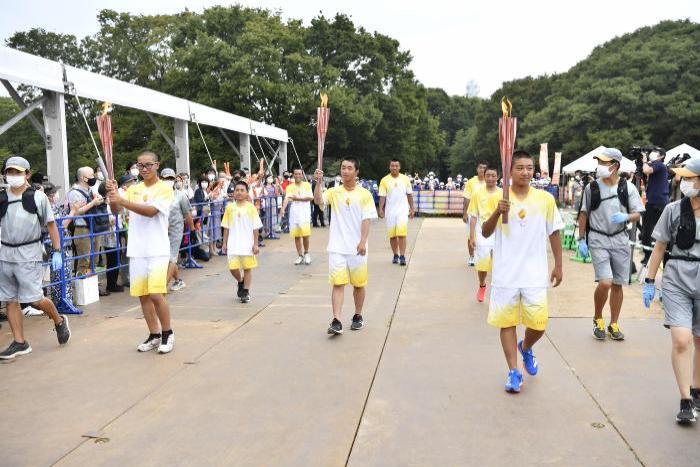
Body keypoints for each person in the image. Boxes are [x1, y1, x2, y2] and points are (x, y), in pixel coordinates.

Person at [482, 150, 563, 393]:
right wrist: (498, 211)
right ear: (510, 171)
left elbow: (554, 231)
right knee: (506, 322)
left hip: (534, 273)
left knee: (539, 324)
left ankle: (525, 347)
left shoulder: (545, 199)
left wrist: (558, 264)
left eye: (529, 168)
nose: (526, 172)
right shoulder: (498, 199)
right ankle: (513, 372)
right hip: (506, 273)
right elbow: (485, 232)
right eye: (520, 168)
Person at [642, 158, 700, 423]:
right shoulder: (673, 210)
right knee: (682, 339)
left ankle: (697, 390)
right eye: (684, 178)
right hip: (676, 279)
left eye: (690, 177)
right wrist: (650, 281)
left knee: (699, 341)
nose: (684, 182)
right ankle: (685, 399)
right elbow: (659, 248)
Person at [0, 156, 71, 359]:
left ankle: (58, 320)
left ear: (27, 174)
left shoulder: (37, 197)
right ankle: (20, 342)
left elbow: (50, 224)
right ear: (4, 174)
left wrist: (57, 250)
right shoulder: (1, 197)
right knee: (10, 300)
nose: (13, 176)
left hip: (28, 253)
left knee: (34, 300)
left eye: (18, 172)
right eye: (10, 172)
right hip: (5, 254)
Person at [106, 151, 175, 354]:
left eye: (148, 165)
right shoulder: (133, 189)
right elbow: (116, 210)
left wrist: (122, 200)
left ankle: (167, 333)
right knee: (143, 296)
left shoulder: (164, 189)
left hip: (157, 249)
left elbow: (151, 211)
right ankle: (154, 334)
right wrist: (112, 196)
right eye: (140, 166)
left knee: (156, 293)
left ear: (157, 165)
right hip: (137, 250)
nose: (144, 169)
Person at [577, 148, 644, 341]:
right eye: (599, 162)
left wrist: (626, 216)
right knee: (605, 281)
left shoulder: (628, 188)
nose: (601, 166)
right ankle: (598, 317)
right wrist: (581, 239)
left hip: (620, 239)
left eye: (604, 163)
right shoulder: (592, 188)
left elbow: (638, 213)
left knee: (617, 284)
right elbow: (584, 213)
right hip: (598, 239)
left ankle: (613, 323)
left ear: (615, 166)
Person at [313, 158, 377, 335]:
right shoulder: (334, 192)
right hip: (337, 246)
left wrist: (363, 241)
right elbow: (318, 200)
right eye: (343, 168)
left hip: (357, 247)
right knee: (338, 283)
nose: (345, 171)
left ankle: (357, 315)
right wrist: (318, 183)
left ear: (356, 172)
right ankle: (337, 320)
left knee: (358, 284)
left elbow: (367, 219)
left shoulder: (365, 194)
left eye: (349, 168)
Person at [222, 180, 262, 303]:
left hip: (247, 244)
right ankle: (240, 281)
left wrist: (255, 244)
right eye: (237, 190)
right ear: (233, 193)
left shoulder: (251, 208)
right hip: (233, 243)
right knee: (233, 268)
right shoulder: (229, 208)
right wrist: (224, 243)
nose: (239, 192)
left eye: (242, 190)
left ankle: (245, 291)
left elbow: (255, 228)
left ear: (246, 193)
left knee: (247, 268)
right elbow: (226, 227)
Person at [468, 167, 502, 302]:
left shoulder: (503, 193)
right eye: (488, 175)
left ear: (498, 177)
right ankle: (482, 285)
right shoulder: (477, 193)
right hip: (482, 232)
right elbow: (473, 216)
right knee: (482, 263)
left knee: (500, 261)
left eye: (493, 176)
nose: (490, 178)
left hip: (500, 231)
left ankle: (498, 289)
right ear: (484, 176)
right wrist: (472, 236)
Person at [67, 167, 106, 277]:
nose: (94, 177)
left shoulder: (90, 190)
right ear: (83, 178)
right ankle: (82, 288)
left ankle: (92, 286)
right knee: (84, 260)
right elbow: (76, 212)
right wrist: (93, 203)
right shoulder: (74, 192)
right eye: (92, 175)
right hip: (82, 228)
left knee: (95, 259)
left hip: (94, 227)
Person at [161, 168, 195, 292]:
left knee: (171, 258)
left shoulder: (181, 196)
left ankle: (163, 286)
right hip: (161, 230)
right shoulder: (158, 195)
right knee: (165, 257)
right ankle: (178, 280)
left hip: (175, 230)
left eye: (171, 178)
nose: (168, 181)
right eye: (166, 179)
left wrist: (192, 230)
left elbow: (188, 214)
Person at [378, 158, 415, 266]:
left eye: (396, 166)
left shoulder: (405, 179)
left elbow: (409, 194)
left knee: (402, 234)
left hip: (402, 210)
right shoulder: (384, 180)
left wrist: (412, 208)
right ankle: (395, 254)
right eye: (392, 166)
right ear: (389, 167)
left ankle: (402, 256)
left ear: (399, 167)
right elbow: (382, 196)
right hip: (390, 211)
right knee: (393, 236)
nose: (394, 167)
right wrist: (380, 208)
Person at [641, 147, 669, 266]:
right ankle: (647, 255)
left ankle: (652, 256)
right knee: (647, 230)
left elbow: (647, 170)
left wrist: (644, 161)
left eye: (655, 152)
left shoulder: (660, 165)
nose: (652, 153)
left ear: (661, 156)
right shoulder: (657, 165)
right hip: (654, 201)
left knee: (653, 231)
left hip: (657, 203)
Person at [280, 168, 313, 265]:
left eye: (299, 174)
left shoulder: (307, 185)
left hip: (305, 213)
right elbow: (287, 198)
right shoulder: (290, 187)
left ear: (302, 175)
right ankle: (300, 255)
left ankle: (306, 253)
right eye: (296, 174)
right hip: (294, 213)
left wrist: (297, 198)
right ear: (293, 175)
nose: (298, 175)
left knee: (305, 234)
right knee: (297, 236)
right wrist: (283, 208)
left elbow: (311, 198)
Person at [462, 162, 488, 266]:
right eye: (480, 167)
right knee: (471, 235)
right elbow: (467, 198)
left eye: (484, 168)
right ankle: (472, 256)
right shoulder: (471, 182)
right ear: (477, 169)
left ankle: (485, 256)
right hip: (472, 213)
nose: (482, 170)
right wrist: (465, 213)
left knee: (486, 235)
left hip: (486, 213)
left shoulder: (489, 181)